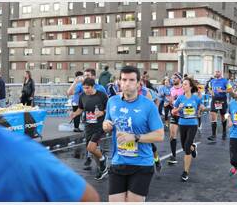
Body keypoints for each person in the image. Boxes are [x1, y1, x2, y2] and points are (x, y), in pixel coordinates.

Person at [0, 68, 99, 202]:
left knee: (91, 143)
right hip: (81, 110)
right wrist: (75, 85)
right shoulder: (78, 86)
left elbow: (87, 197)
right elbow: (69, 92)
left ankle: (96, 159)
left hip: (96, 121)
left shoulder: (20, 153)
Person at [103, 66, 164, 202]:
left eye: (131, 80)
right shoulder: (112, 101)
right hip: (118, 161)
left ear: (138, 83)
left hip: (141, 164)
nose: (127, 83)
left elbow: (160, 135)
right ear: (119, 81)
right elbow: (107, 121)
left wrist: (135, 137)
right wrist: (106, 125)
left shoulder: (148, 105)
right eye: (124, 79)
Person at [70, 78, 109, 180]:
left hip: (100, 125)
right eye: (84, 88)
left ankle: (103, 160)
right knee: (91, 149)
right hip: (88, 125)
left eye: (87, 88)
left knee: (91, 148)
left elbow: (109, 108)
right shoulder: (82, 96)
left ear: (93, 86)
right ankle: (102, 167)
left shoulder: (101, 95)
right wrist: (74, 114)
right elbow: (80, 109)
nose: (85, 90)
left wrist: (102, 112)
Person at [172, 77, 205, 182]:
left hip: (192, 124)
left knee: (186, 148)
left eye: (185, 84)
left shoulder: (195, 98)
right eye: (183, 84)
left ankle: (185, 172)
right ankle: (193, 147)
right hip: (182, 123)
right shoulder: (180, 98)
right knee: (184, 146)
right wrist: (178, 109)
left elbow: (201, 105)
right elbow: (173, 112)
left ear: (190, 86)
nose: (183, 86)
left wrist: (202, 108)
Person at [207, 70, 233, 142]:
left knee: (223, 116)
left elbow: (230, 89)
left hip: (222, 99)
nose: (216, 73)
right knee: (213, 114)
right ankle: (213, 135)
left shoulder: (225, 81)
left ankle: (224, 131)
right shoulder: (212, 81)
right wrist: (211, 92)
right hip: (214, 99)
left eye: (218, 72)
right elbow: (209, 88)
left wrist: (223, 91)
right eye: (215, 72)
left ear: (221, 73)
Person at [167, 73, 184, 164]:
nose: (173, 79)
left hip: (183, 116)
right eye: (172, 78)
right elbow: (171, 101)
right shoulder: (171, 89)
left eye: (175, 78)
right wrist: (169, 103)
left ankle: (192, 147)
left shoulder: (184, 88)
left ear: (180, 79)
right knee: (172, 135)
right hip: (174, 114)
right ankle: (173, 156)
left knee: (184, 139)